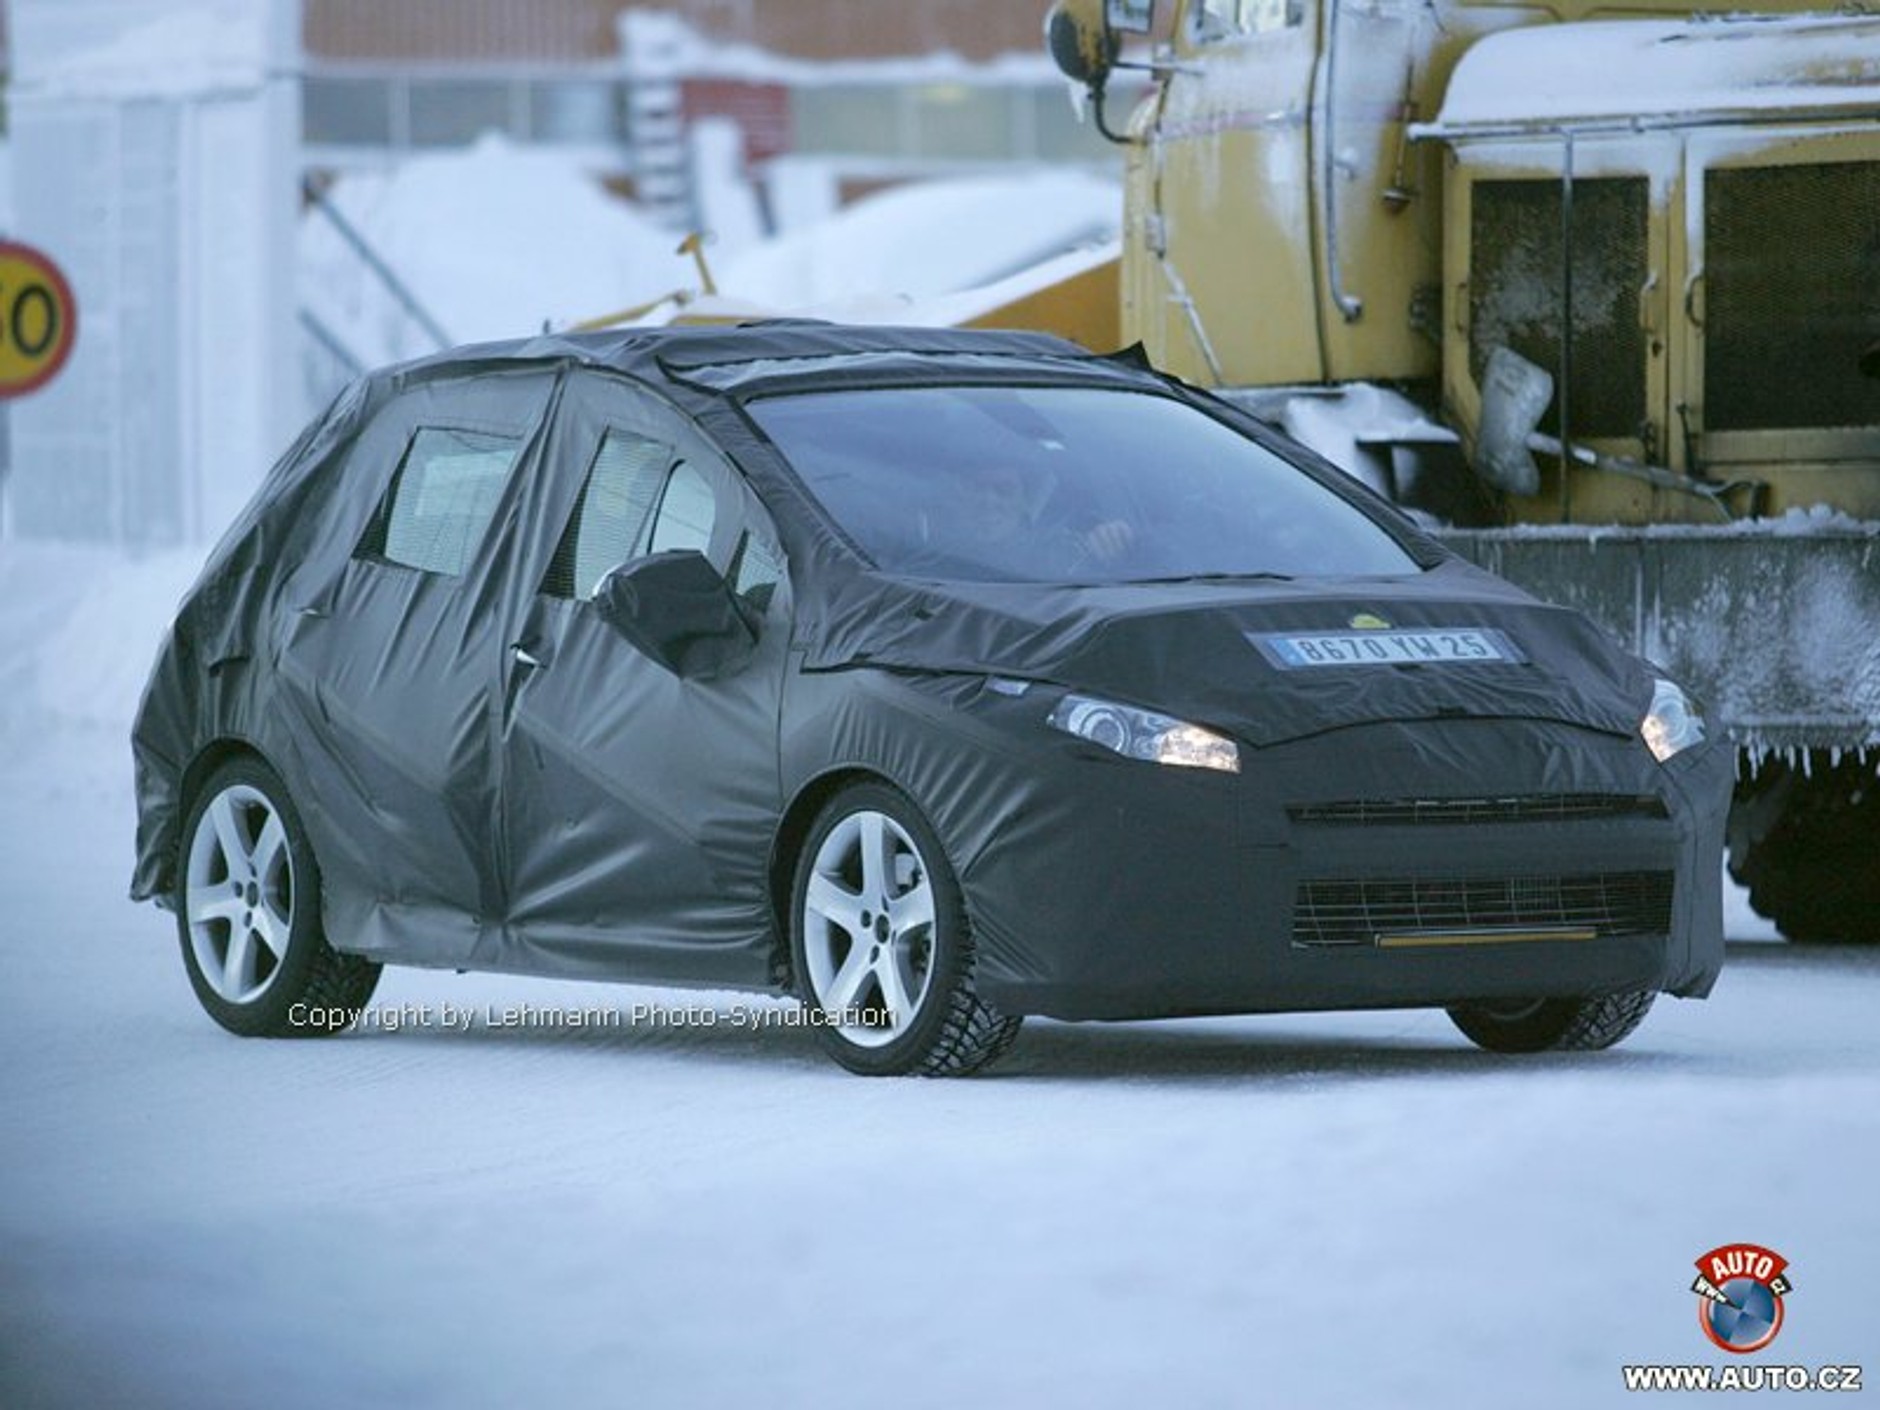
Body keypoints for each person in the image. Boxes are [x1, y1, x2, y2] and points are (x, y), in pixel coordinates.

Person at [952, 458, 1136, 577]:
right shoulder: (937, 554)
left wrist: (1112, 542)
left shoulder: (1057, 556)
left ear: (1025, 502)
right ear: (962, 497)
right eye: (977, 488)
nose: (988, 500)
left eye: (1004, 490)